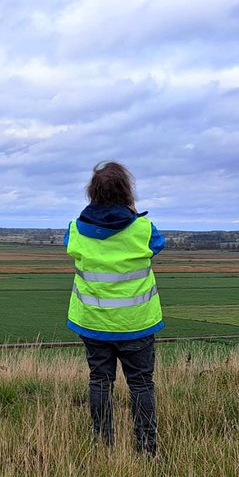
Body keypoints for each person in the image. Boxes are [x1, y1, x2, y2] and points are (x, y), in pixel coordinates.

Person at [65, 161, 163, 456]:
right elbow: (158, 245)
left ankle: (102, 445)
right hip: (137, 323)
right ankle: (147, 449)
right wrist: (132, 213)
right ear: (127, 193)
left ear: (92, 193)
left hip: (93, 322)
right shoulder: (143, 229)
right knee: (142, 384)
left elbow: (69, 244)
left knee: (99, 381)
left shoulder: (76, 229)